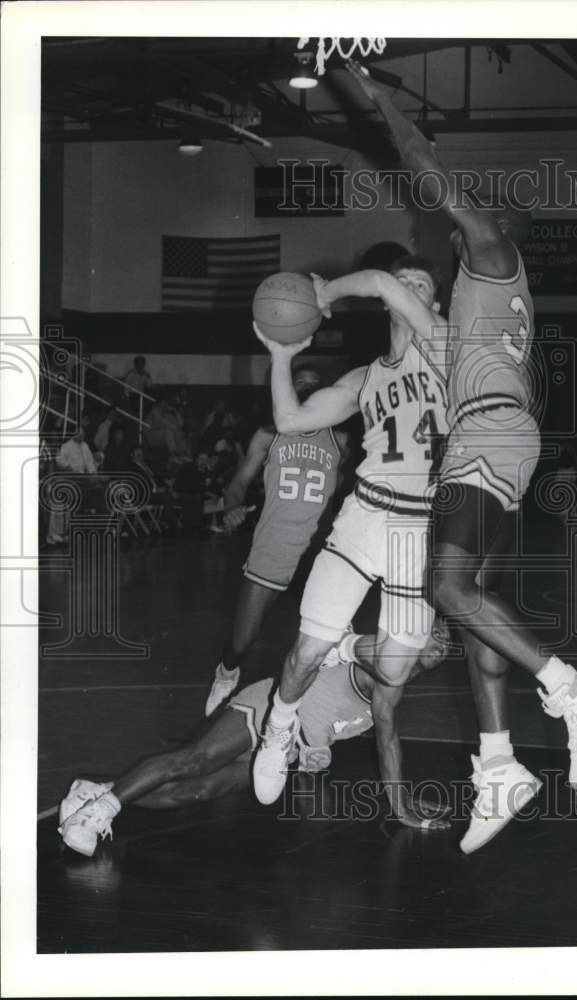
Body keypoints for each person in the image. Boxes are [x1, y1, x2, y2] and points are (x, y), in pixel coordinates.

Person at [323, 60, 577, 854]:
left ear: (492, 227)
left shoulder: (492, 253)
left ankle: (575, 691)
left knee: (446, 588)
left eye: (470, 214)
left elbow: (424, 168)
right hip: (493, 436)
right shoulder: (482, 300)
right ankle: (498, 766)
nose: (456, 219)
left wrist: (373, 94)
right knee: (476, 608)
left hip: (488, 436)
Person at [251, 255, 452, 828]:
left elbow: (382, 282)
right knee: (305, 651)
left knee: (392, 675)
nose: (408, 290)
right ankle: (279, 729)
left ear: (431, 306)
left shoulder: (446, 347)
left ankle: (346, 656)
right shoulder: (366, 377)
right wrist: (283, 357)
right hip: (363, 517)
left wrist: (325, 292)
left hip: (418, 529)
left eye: (422, 285)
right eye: (406, 283)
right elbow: (291, 420)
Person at [58, 653, 451, 858]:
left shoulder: (394, 691)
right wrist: (317, 745)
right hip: (266, 709)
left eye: (445, 641)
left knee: (197, 792)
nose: (440, 644)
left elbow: (385, 741)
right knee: (196, 760)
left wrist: (401, 797)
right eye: (435, 633)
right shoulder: (377, 659)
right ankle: (100, 811)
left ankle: (94, 793)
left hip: (281, 751)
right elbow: (312, 685)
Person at [203, 368, 348, 716]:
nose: (310, 384)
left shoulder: (340, 439)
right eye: (301, 380)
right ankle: (226, 673)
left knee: (330, 644)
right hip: (275, 544)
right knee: (241, 642)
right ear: (288, 391)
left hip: (318, 549)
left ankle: (323, 719)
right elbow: (237, 484)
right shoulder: (267, 435)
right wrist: (233, 508)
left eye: (317, 381)